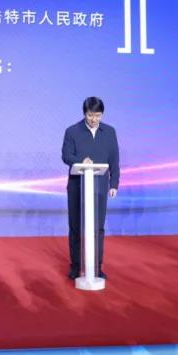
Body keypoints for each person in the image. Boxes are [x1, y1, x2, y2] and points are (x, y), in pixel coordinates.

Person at [61, 96, 120, 280]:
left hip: (100, 186)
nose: (94, 119)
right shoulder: (72, 131)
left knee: (98, 228)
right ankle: (76, 266)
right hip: (77, 186)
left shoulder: (109, 132)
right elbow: (66, 155)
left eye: (98, 115)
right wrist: (80, 161)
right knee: (76, 227)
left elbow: (114, 160)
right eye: (90, 115)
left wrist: (114, 183)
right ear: (84, 113)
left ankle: (96, 267)